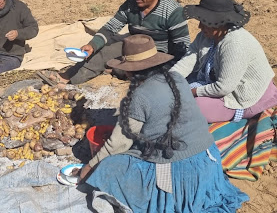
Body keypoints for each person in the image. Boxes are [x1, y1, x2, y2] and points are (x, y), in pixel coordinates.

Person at [78, 34, 248, 212]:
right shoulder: (178, 78)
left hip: (180, 174)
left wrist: (90, 166)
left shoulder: (139, 96)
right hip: (208, 161)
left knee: (109, 167)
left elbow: (117, 144)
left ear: (128, 71)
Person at [42, 0, 190, 86]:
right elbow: (111, 27)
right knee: (101, 49)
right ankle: (71, 76)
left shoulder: (173, 11)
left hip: (156, 52)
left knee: (133, 69)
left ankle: (108, 71)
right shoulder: (131, 3)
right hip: (133, 43)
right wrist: (92, 45)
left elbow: (182, 48)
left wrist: (168, 69)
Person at [171, 0, 277, 123]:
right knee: (178, 88)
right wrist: (169, 80)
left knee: (193, 108)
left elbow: (223, 87)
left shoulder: (235, 43)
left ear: (219, 23)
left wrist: (194, 91)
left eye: (204, 22)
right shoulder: (205, 36)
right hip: (217, 84)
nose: (200, 26)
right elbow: (187, 61)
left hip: (241, 94)